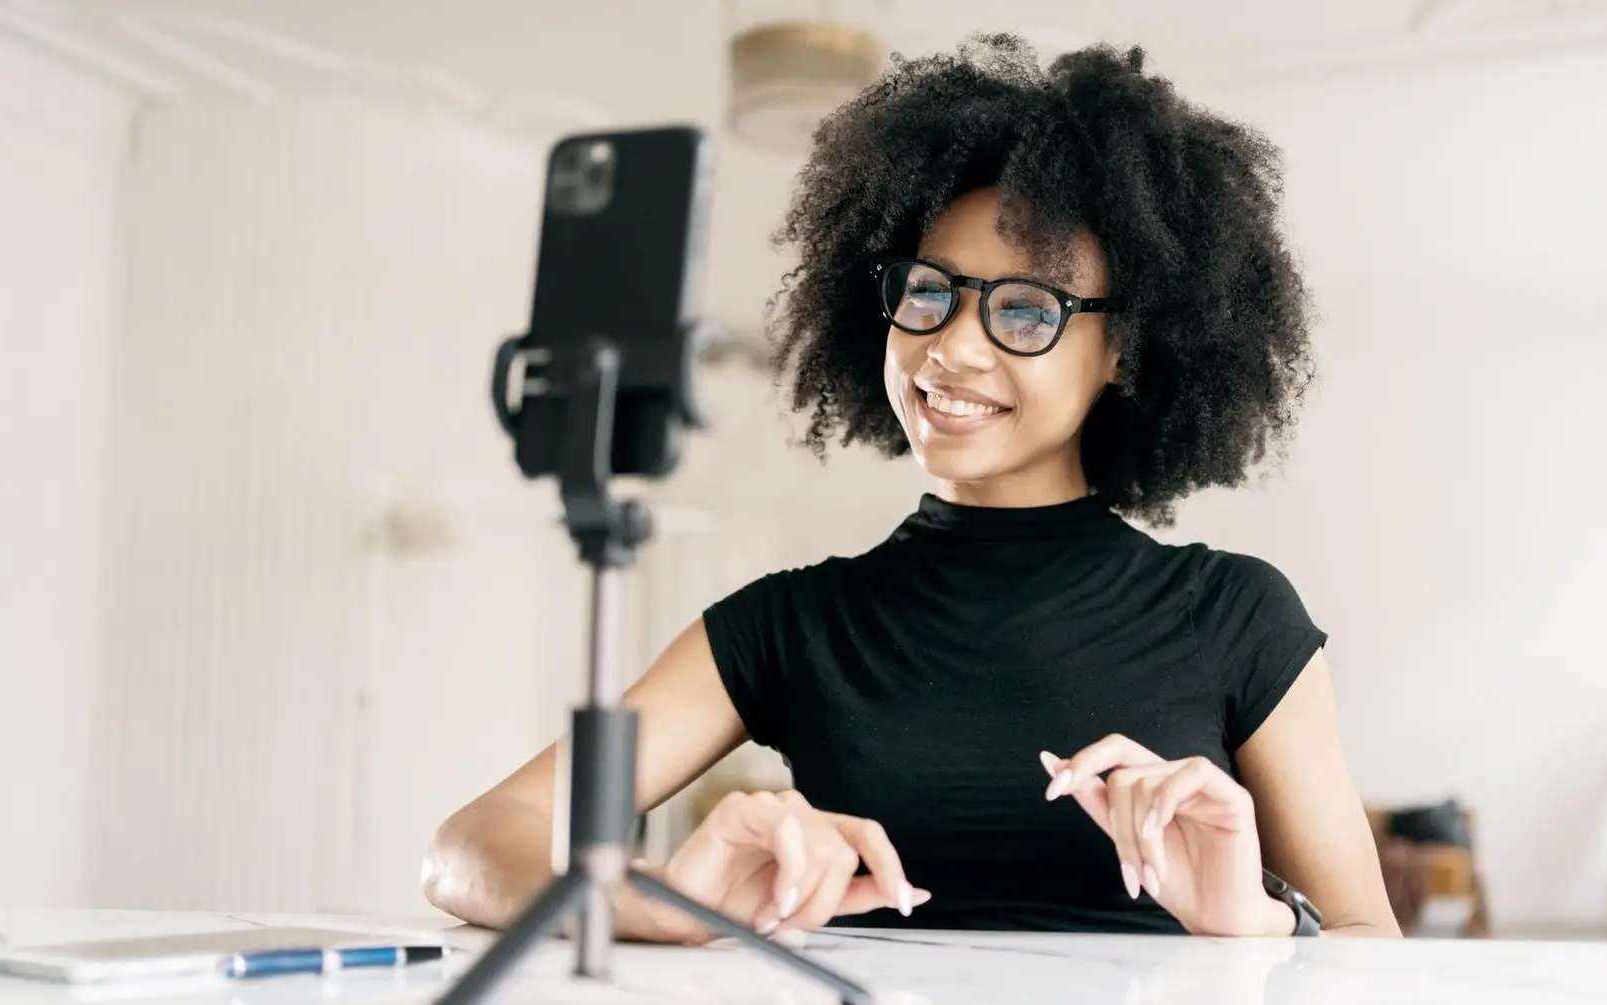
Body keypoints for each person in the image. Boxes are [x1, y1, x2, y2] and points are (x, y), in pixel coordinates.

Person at [422, 34, 1401, 941]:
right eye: (929, 290)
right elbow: (473, 847)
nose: (951, 346)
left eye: (1027, 309)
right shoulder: (791, 624)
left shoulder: (1236, 615)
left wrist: (1259, 921)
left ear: (1128, 353)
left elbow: (1375, 953)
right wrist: (674, 905)